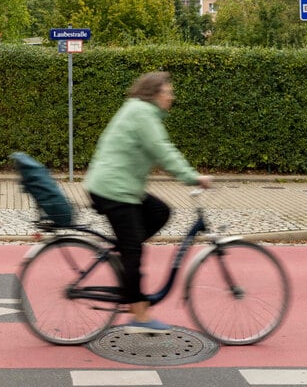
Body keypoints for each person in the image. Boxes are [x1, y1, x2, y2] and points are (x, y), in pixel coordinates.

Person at [84, 71, 212, 333]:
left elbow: (159, 149)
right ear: (154, 94)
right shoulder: (142, 113)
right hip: (114, 189)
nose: (171, 96)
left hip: (119, 186)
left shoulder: (140, 111)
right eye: (168, 91)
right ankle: (139, 315)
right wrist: (192, 177)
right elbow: (162, 151)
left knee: (160, 211)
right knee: (134, 251)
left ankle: (126, 260)